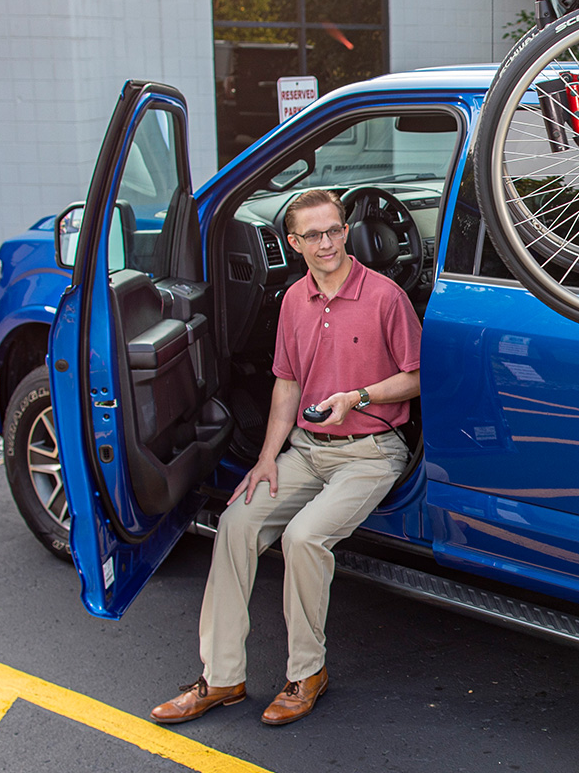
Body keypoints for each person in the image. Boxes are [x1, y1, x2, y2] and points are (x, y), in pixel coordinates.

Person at [149, 188, 421, 727]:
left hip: (370, 452)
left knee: (303, 539)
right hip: (305, 449)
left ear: (346, 230)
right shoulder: (294, 300)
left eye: (335, 230)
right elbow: (286, 382)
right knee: (235, 524)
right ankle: (222, 677)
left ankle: (307, 674)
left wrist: (359, 397)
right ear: (293, 242)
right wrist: (267, 458)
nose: (328, 243)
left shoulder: (385, 296)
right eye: (314, 235)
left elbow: (417, 377)